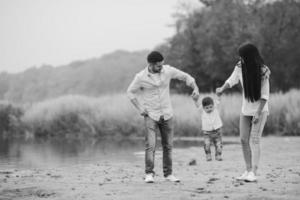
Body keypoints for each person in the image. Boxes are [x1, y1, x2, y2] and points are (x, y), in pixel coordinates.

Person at [127, 51, 200, 183]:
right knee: (151, 145)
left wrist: (195, 88)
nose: (161, 67)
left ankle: (168, 174)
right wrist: (140, 108)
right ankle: (149, 174)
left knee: (168, 146)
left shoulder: (168, 70)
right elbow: (130, 92)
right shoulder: (140, 77)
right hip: (151, 115)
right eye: (158, 65)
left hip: (167, 114)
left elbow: (186, 77)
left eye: (162, 64)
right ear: (150, 64)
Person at [216, 43, 270, 182]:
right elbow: (232, 79)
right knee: (243, 139)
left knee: (255, 139)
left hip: (260, 110)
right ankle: (248, 170)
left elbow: (265, 95)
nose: (241, 59)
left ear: (250, 57)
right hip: (245, 110)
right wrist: (222, 88)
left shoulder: (263, 71)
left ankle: (254, 173)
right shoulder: (240, 66)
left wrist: (258, 113)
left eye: (243, 56)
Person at [194, 96, 223, 161]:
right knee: (207, 144)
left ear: (213, 105)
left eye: (210, 107)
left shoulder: (215, 109)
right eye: (207, 108)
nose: (209, 109)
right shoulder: (202, 112)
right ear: (203, 108)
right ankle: (208, 155)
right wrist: (195, 100)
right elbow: (198, 106)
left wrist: (219, 94)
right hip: (207, 132)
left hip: (217, 131)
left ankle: (218, 155)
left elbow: (218, 100)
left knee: (219, 145)